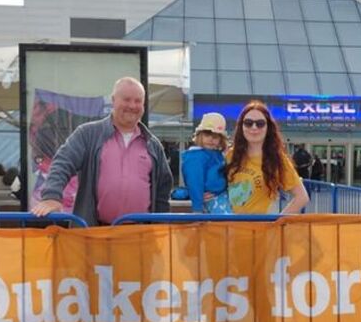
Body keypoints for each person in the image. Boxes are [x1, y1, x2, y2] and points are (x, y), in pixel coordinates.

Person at [31, 77, 173, 226]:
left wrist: (160, 227)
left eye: (138, 101)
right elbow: (63, 163)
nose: (132, 105)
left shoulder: (153, 144)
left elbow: (163, 189)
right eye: (126, 99)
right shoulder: (87, 134)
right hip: (95, 234)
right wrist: (52, 196)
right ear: (113, 100)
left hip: (140, 237)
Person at [225, 101, 309, 214]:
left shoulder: (277, 160)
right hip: (226, 228)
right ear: (241, 126)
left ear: (268, 127)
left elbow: (302, 197)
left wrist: (277, 222)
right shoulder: (230, 155)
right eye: (248, 123)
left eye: (260, 123)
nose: (254, 127)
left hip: (260, 230)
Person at [181, 112, 232, 214]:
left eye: (216, 136)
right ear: (200, 135)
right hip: (211, 203)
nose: (211, 139)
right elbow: (194, 181)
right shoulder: (196, 156)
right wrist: (197, 209)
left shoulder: (219, 155)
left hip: (222, 199)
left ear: (221, 140)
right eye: (207, 134)